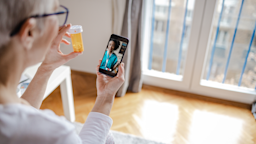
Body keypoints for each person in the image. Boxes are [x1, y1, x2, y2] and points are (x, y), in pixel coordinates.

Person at [0, 0, 125, 144]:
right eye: (55, 13)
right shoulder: (55, 134)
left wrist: (46, 67)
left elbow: (19, 114)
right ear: (29, 32)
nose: (60, 26)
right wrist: (106, 96)